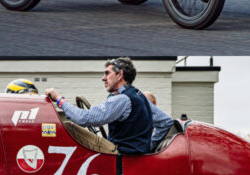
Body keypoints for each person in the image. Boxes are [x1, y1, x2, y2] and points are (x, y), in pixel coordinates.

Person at [45, 57, 174, 155]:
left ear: (120, 75)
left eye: (107, 73)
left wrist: (59, 99)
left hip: (121, 155)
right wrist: (148, 147)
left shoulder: (122, 99)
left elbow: (83, 118)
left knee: (68, 127)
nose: (103, 78)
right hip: (131, 154)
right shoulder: (138, 95)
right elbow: (166, 122)